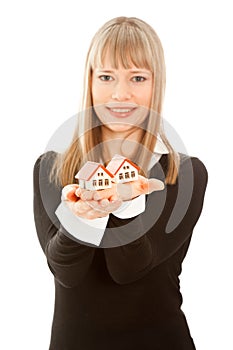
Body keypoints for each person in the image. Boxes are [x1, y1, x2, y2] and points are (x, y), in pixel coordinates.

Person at [33, 16, 208, 350]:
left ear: (157, 84)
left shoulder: (184, 174)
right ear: (90, 82)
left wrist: (123, 202)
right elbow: (65, 272)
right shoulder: (51, 168)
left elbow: (128, 269)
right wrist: (84, 215)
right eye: (107, 76)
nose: (120, 93)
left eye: (138, 77)